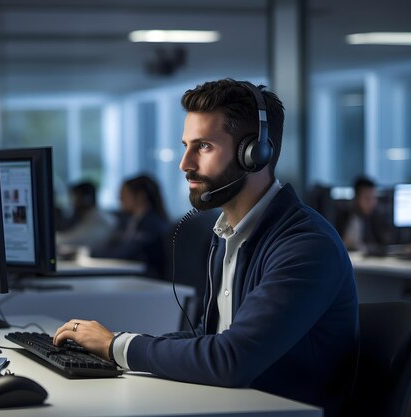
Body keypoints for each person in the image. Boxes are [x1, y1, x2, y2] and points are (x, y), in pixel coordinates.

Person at [53, 79, 359, 417]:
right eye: (186, 145)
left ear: (255, 153)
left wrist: (116, 346)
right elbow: (210, 335)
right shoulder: (227, 233)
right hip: (235, 405)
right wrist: (113, 343)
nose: (185, 163)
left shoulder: (304, 245)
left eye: (204, 146)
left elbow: (232, 359)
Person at [90, 174, 169, 278]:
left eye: (124, 193)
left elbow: (122, 254)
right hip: (131, 276)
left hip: (148, 281)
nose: (119, 198)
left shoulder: (151, 225)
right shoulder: (128, 221)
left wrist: (92, 252)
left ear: (141, 196)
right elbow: (105, 247)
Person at [56, 181, 117, 252]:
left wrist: (49, 238)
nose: (72, 202)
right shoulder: (90, 216)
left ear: (86, 199)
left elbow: (75, 238)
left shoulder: (97, 219)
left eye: (75, 197)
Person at [335, 175, 387, 253]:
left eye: (374, 198)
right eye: (367, 198)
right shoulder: (342, 216)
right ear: (356, 198)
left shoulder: (376, 217)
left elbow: (382, 244)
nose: (372, 203)